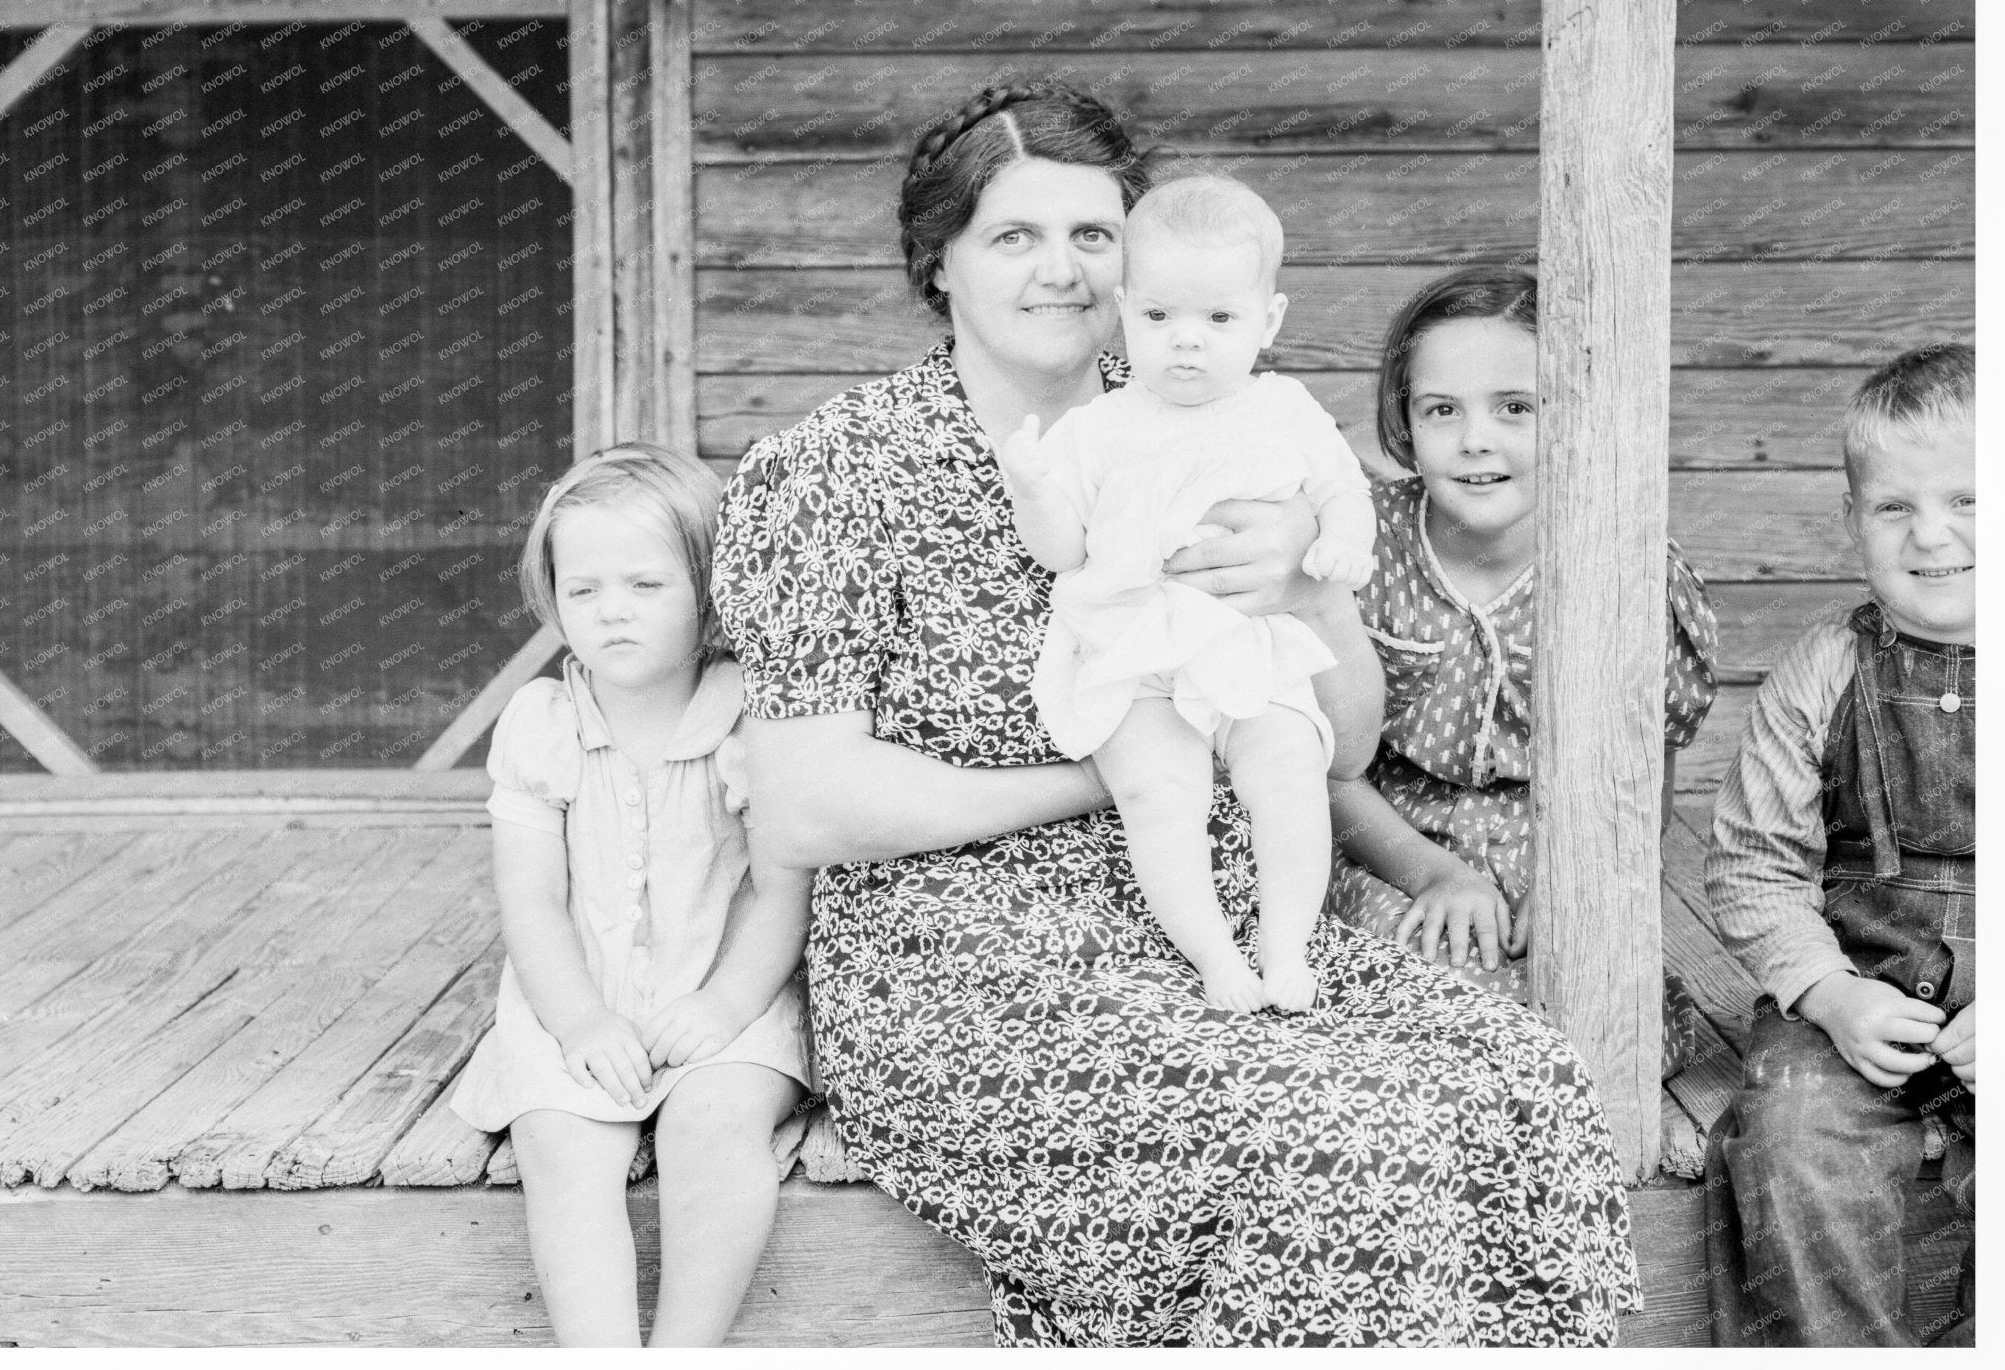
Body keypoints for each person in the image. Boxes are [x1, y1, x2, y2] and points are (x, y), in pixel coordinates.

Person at [712, 82, 1642, 1345]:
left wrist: (1306, 591)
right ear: (938, 262)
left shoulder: (1228, 419)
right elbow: (804, 805)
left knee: (1513, 1080)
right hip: (966, 961)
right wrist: (1118, 776)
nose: (1061, 271)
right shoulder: (833, 471)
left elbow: (1343, 746)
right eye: (1013, 236)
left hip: (1233, 924)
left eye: (1092, 236)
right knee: (1328, 1144)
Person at [449, 444, 815, 1347]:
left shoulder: (755, 720)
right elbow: (533, 901)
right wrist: (580, 1022)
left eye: (646, 585)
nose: (611, 610)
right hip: (579, 991)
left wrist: (723, 1005)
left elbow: (784, 890)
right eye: (583, 589)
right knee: (560, 1144)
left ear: (711, 589)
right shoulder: (541, 724)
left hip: (729, 987)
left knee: (716, 1122)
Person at [997, 173, 1373, 1013]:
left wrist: (1343, 540)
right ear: (1124, 310)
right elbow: (1061, 551)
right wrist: (1033, 488)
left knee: (1290, 770)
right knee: (1158, 793)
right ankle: (1213, 956)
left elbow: (1342, 489)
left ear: (1269, 321)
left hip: (1244, 639)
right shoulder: (1097, 429)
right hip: (1137, 649)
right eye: (1160, 316)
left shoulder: (1284, 409)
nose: (1187, 342)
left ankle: (1285, 945)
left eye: (1220, 319)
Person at [1324, 266, 1720, 1015]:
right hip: (1387, 844)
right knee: (1423, 996)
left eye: (1516, 407)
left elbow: (1644, 767)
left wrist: (1584, 878)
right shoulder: (1357, 547)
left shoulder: (1624, 564)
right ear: (1404, 421)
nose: (1476, 441)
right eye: (1442, 410)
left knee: (1601, 1012)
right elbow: (1323, 767)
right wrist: (1432, 874)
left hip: (1560, 847)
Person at [1702, 343, 1975, 1347]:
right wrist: (1828, 995)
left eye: (1966, 499)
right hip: (1856, 1001)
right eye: (1893, 506)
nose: (1930, 533)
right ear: (1850, 520)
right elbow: (1752, 865)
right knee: (1788, 1132)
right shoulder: (1824, 668)